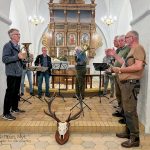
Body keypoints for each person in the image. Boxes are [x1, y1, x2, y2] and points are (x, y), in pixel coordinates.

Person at [112, 30, 146, 148]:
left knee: (130, 111)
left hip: (131, 84)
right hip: (125, 83)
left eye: (126, 37)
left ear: (132, 38)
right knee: (126, 110)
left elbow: (138, 66)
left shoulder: (138, 48)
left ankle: (135, 138)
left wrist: (120, 70)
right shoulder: (131, 50)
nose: (124, 40)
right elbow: (127, 64)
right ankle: (128, 132)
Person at [2, 28, 25, 121]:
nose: (19, 35)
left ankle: (14, 108)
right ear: (11, 36)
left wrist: (25, 59)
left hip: (18, 73)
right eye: (17, 34)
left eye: (19, 34)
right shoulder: (8, 46)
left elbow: (19, 60)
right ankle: (6, 113)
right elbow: (5, 59)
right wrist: (17, 56)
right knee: (10, 92)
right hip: (11, 73)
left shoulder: (18, 46)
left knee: (16, 92)